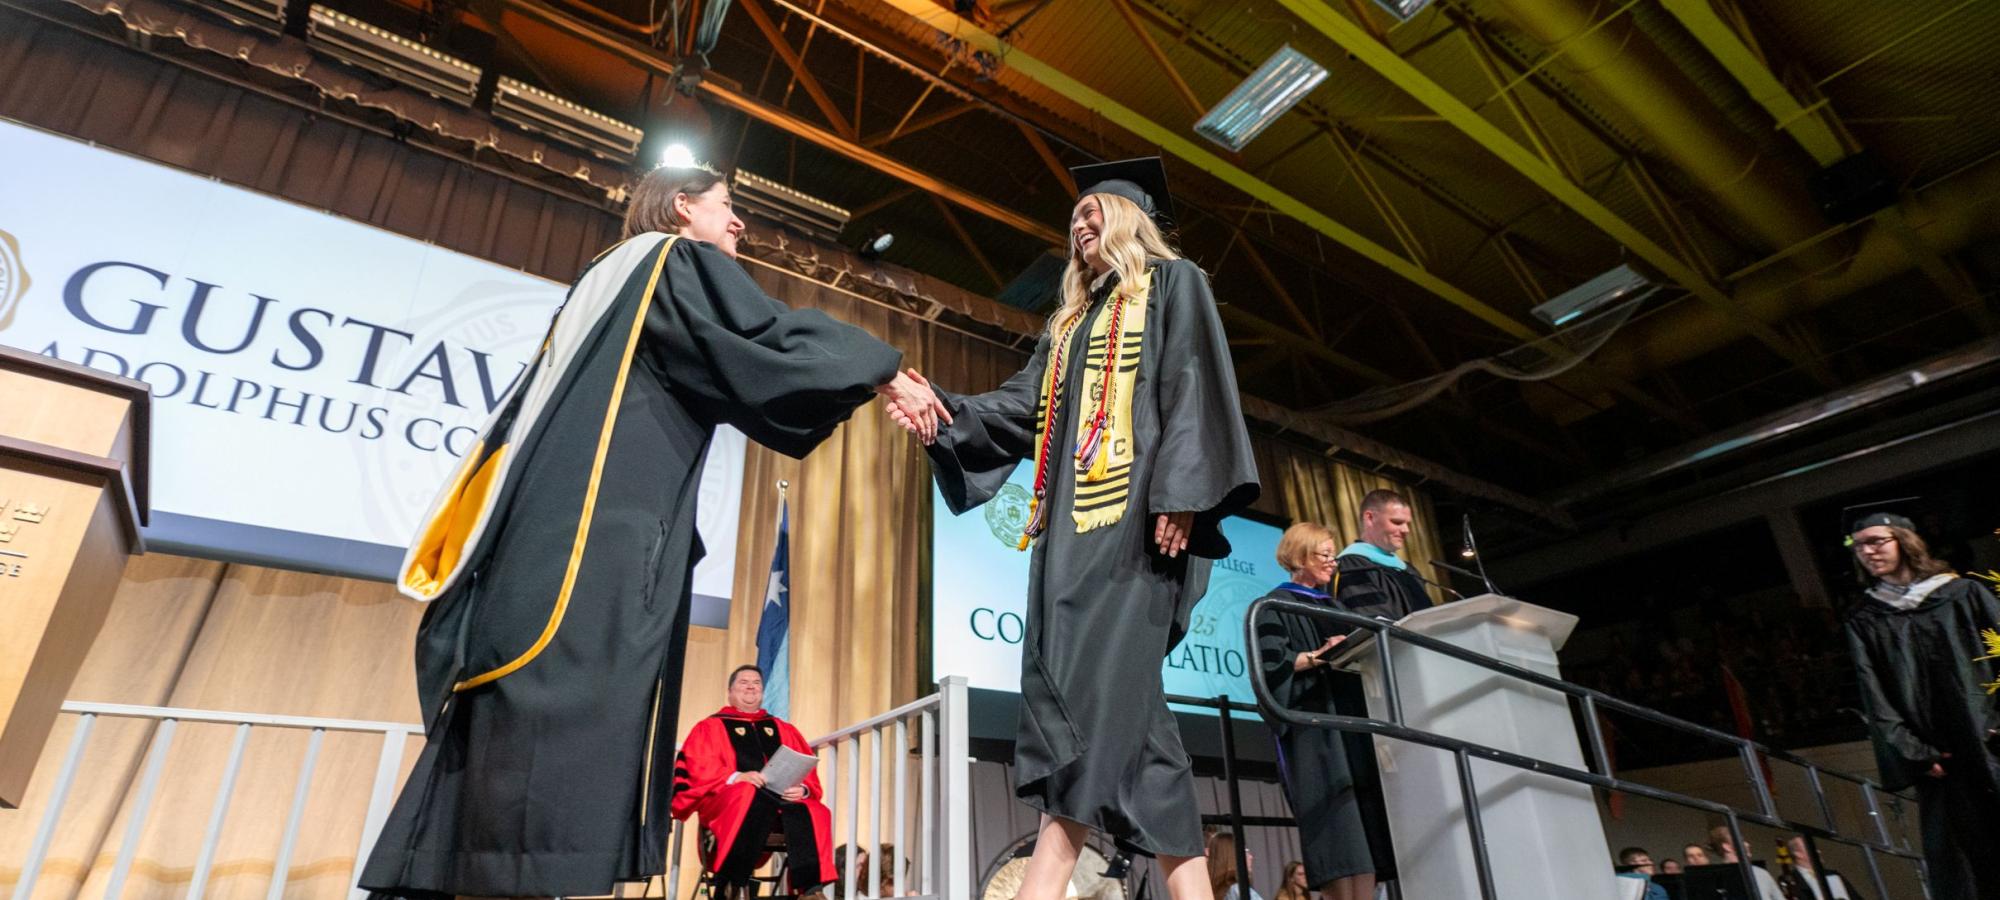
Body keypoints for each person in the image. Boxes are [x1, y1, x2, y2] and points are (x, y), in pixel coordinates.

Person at [359, 163, 948, 899]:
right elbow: (759, 341)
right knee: (559, 717)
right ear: (680, 208)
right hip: (594, 548)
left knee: (510, 736)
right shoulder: (671, 259)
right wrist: (882, 368)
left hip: (542, 546)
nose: (739, 225)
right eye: (727, 207)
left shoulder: (605, 280)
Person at [888, 157, 1258, 900]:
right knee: (1143, 740)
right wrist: (945, 411)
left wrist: (1182, 494)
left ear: (1129, 218)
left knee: (1090, 703)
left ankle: (1042, 886)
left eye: (1094, 211)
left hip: (1138, 531)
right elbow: (1023, 408)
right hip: (1068, 540)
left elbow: (1193, 379)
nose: (1080, 224)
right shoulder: (1068, 325)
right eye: (1074, 217)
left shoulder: (1174, 284)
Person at [1842, 511, 2000, 900]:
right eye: (1858, 545)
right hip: (1939, 761)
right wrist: (1914, 754)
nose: (1867, 551)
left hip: (1991, 741)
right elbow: (1873, 694)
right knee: (1964, 862)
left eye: (1876, 540)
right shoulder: (1865, 618)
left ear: (1904, 541)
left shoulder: (1962, 593)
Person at [1252, 522, 1394, 900]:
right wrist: (1318, 656)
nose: (1333, 563)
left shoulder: (1338, 607)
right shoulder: (1272, 606)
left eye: (1333, 555)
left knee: (1364, 827)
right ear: (1299, 557)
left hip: (1353, 725)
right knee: (1337, 828)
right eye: (1324, 555)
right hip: (1315, 729)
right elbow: (1272, 667)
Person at [669, 665, 836, 895]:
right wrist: (737, 776)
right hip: (727, 803)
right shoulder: (709, 727)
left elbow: (805, 768)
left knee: (816, 810)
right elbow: (699, 767)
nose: (750, 686)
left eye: (756, 682)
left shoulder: (783, 728)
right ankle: (731, 881)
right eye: (743, 682)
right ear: (730, 691)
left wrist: (803, 790)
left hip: (779, 805)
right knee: (747, 792)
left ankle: (810, 890)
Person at [1332, 490, 1429, 620]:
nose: (1406, 530)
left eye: (1408, 523)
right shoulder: (1353, 565)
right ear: (1370, 518)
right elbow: (1372, 622)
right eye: (1397, 522)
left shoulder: (1408, 569)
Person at [1777, 836, 1866, 900]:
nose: (1818, 851)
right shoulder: (1789, 880)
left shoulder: (1833, 875)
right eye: (1810, 848)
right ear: (1798, 854)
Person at [1707, 825, 1783, 900]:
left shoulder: (1761, 873)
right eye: (1742, 841)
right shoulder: (1719, 880)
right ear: (1727, 847)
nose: (1747, 844)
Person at [1205, 833, 1263, 900]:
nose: (1250, 857)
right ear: (1232, 855)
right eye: (1245, 851)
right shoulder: (1237, 889)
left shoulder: (1207, 890)